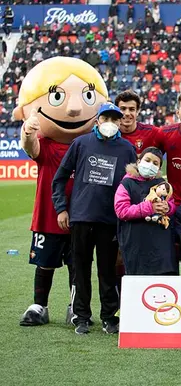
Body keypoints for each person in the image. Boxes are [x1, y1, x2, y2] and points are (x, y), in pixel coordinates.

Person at [14, 57, 108, 327]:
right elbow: (31, 148)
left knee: (77, 265)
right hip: (48, 215)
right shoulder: (46, 143)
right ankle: (39, 305)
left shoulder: (92, 143)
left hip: (81, 216)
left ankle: (74, 306)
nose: (75, 108)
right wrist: (28, 132)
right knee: (45, 263)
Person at [52, 103, 137, 335]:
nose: (111, 122)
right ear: (97, 120)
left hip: (111, 219)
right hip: (80, 217)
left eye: (115, 118)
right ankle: (82, 316)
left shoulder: (127, 149)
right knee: (80, 269)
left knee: (108, 270)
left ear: (120, 122)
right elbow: (59, 179)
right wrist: (62, 209)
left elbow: (133, 184)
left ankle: (109, 317)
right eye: (106, 117)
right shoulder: (80, 143)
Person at [113, 147, 177, 276]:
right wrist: (149, 208)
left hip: (160, 243)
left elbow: (172, 204)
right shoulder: (126, 183)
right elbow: (121, 211)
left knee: (163, 281)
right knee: (139, 282)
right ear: (138, 161)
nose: (150, 165)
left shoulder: (162, 183)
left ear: (159, 168)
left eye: (155, 163)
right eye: (147, 160)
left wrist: (167, 208)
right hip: (135, 242)